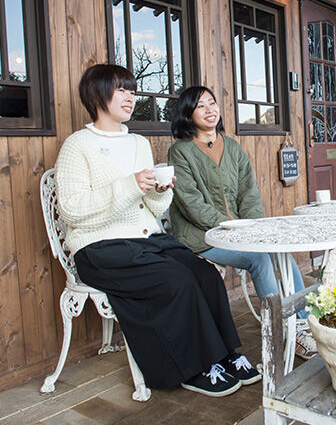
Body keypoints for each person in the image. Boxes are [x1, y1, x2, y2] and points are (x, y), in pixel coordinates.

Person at [54, 64, 260, 398]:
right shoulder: (77, 145)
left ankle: (225, 354)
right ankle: (193, 368)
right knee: (175, 280)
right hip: (99, 247)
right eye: (121, 90)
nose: (130, 97)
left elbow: (151, 209)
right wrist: (129, 185)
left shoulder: (138, 143)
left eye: (132, 91)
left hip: (146, 239)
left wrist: (161, 192)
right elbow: (72, 210)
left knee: (205, 274)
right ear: (96, 95)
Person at [168, 86, 316, 358]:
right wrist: (230, 226)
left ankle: (303, 323)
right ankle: (284, 331)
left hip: (239, 232)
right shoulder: (181, 151)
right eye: (200, 106)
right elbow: (191, 204)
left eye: (212, 103)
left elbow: (249, 195)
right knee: (259, 259)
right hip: (203, 236)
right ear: (187, 114)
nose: (210, 110)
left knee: (279, 249)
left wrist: (256, 229)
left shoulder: (233, 147)